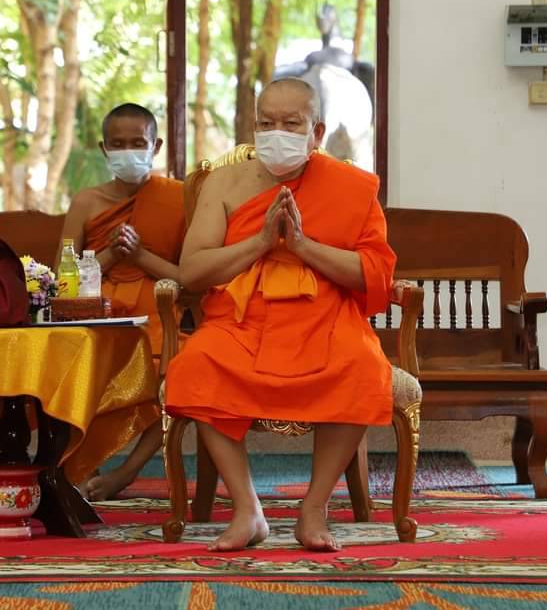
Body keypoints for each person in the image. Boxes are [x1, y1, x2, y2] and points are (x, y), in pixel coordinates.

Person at [164, 78, 397, 552]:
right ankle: (247, 509)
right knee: (196, 365)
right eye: (266, 123)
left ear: (317, 132)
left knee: (363, 366)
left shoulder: (350, 187)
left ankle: (314, 508)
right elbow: (192, 270)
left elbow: (375, 273)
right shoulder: (224, 183)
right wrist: (260, 243)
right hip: (242, 317)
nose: (277, 133)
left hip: (324, 315)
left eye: (291, 124)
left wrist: (303, 246)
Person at [59, 103, 185, 500]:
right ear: (103, 148)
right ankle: (86, 468)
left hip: (158, 311)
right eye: (117, 144)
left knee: (180, 377)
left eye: (137, 143)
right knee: (75, 366)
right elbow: (63, 281)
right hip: (97, 310)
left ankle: (126, 473)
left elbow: (188, 276)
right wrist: (112, 254)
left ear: (156, 146)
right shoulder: (86, 202)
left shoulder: (178, 199)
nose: (128, 151)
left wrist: (140, 255)